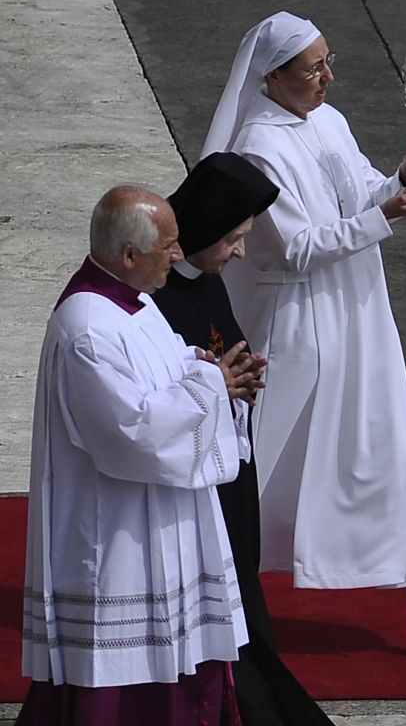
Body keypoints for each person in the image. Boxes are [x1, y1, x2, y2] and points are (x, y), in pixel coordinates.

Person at [199, 11, 406, 655]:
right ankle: (209, 594)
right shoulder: (259, 145)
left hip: (359, 311)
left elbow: (361, 191)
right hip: (302, 324)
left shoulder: (326, 121)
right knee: (267, 464)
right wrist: (389, 216)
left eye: (328, 62)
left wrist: (401, 177)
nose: (328, 78)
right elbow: (292, 249)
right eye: (314, 69)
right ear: (273, 74)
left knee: (390, 448)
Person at [17, 185, 248, 726]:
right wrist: (212, 386)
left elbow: (163, 375)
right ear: (128, 255)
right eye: (168, 246)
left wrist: (213, 374)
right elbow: (131, 433)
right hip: (117, 529)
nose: (177, 254)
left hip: (159, 515)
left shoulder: (137, 302)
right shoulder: (87, 329)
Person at [152, 151, 333, 725]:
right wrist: (216, 379)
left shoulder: (206, 277)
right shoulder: (153, 295)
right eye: (232, 238)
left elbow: (219, 342)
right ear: (201, 227)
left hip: (227, 461)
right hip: (189, 475)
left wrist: (241, 373)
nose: (240, 253)